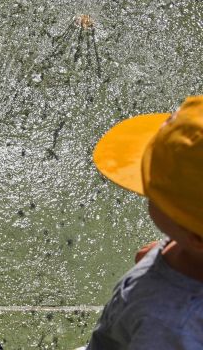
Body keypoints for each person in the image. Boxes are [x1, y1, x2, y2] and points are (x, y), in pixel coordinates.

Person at [87, 95, 203, 348]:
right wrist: (161, 264)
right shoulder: (190, 250)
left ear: (195, 239)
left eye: (153, 194)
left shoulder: (167, 327)